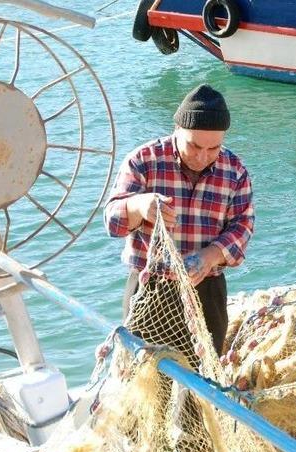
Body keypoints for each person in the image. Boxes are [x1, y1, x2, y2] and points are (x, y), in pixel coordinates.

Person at [104, 83, 254, 356]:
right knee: (144, 373)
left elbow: (243, 226)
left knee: (203, 378)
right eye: (194, 146)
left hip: (206, 291)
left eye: (213, 149)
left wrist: (210, 255)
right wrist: (139, 206)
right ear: (177, 130)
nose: (202, 157)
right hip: (149, 288)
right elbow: (112, 221)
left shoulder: (235, 170)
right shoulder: (143, 161)